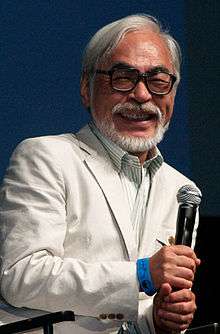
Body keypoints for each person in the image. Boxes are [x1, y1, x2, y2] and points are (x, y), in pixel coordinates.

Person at [0, 14, 201, 334]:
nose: (142, 95)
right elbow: (21, 276)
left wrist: (159, 318)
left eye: (159, 80)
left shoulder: (181, 189)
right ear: (86, 88)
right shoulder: (46, 157)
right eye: (123, 77)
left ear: (173, 94)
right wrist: (142, 274)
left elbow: (133, 311)